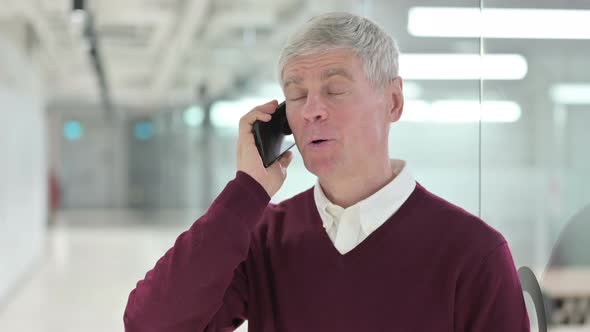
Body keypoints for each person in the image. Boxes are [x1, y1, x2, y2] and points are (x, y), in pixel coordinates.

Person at [124, 12, 530, 331]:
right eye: (296, 94)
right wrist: (247, 191)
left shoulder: (474, 254)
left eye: (335, 89)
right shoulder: (264, 238)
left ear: (393, 102)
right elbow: (152, 323)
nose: (312, 108)